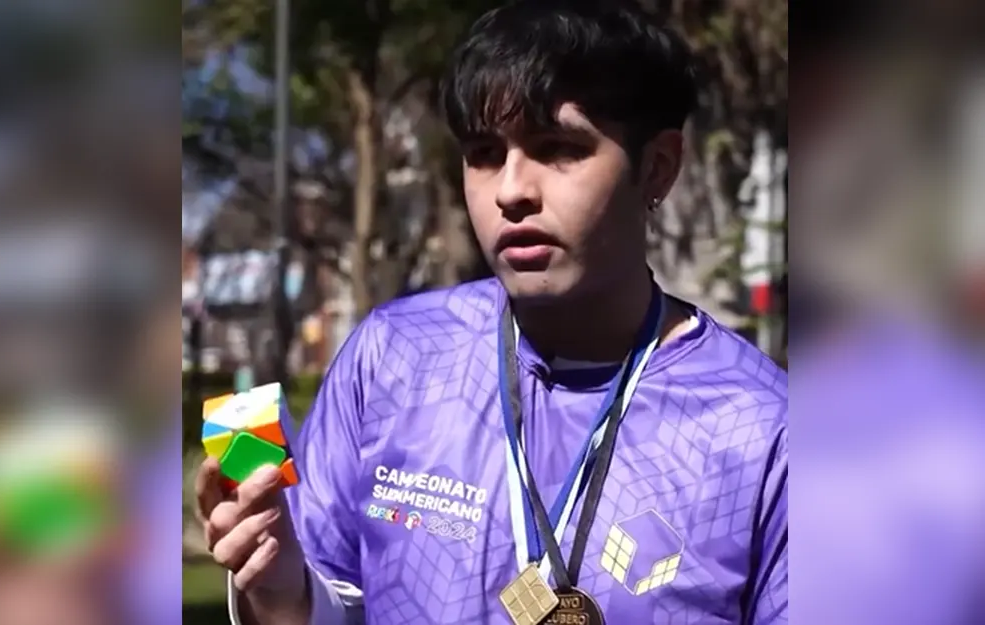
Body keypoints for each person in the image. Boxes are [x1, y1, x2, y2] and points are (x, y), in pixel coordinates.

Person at [195, 1, 788, 623]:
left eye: (558, 148)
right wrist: (283, 592)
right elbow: (328, 603)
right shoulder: (394, 357)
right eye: (483, 153)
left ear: (657, 168)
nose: (511, 190)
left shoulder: (762, 430)